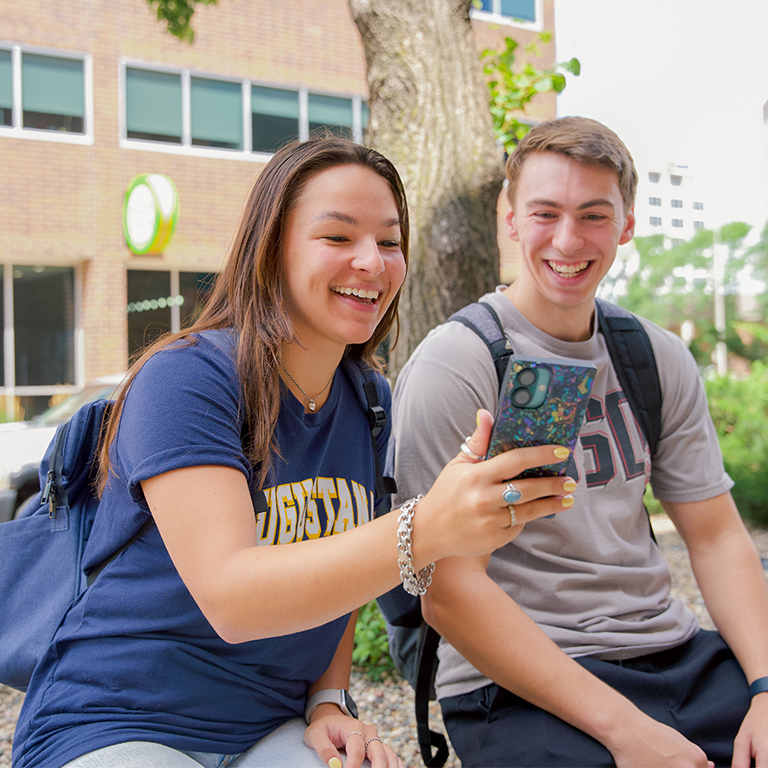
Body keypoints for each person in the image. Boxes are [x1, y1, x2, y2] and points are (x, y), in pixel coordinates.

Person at [11, 136, 573, 768]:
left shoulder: (369, 401)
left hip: (268, 722)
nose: (372, 262)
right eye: (338, 238)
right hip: (117, 717)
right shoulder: (188, 378)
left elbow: (339, 569)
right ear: (271, 248)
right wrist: (424, 530)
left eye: (390, 242)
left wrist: (329, 700)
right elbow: (233, 597)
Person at [390, 117, 768, 768]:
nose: (568, 239)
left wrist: (764, 687)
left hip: (673, 655)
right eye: (545, 213)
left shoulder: (656, 355)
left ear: (626, 224)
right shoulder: (456, 364)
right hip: (515, 683)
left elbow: (716, 536)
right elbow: (448, 591)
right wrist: (627, 733)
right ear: (510, 219)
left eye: (594, 215)